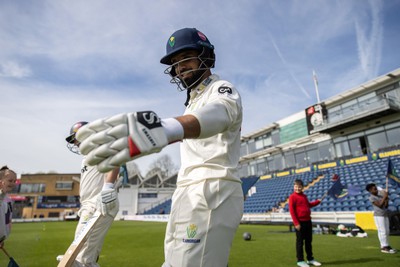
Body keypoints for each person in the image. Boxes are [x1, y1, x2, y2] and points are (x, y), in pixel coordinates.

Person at [76, 27, 244, 267]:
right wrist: (148, 139)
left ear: (205, 55)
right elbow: (188, 128)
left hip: (212, 188)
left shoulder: (221, 89)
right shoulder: (193, 102)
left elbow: (218, 114)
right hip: (187, 191)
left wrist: (165, 128)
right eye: (175, 63)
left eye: (186, 58)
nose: (180, 67)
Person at [58, 121, 120, 266]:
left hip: (97, 203)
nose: (75, 143)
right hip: (89, 205)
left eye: (77, 138)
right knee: (86, 254)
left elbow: (115, 160)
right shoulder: (87, 157)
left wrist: (108, 187)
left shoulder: (100, 148)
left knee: (82, 255)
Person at [289, 179, 322, 267]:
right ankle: (300, 260)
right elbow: (292, 211)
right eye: (296, 186)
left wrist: (317, 202)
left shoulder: (304, 196)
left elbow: (309, 205)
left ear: (302, 187)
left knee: (308, 242)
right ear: (294, 187)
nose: (297, 188)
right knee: (300, 242)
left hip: (308, 221)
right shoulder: (292, 197)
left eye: (299, 187)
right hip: (299, 223)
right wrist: (296, 223)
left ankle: (310, 259)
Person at [365, 183, 397, 254]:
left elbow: (385, 206)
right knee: (382, 231)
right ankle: (383, 247)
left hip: (385, 214)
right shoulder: (371, 197)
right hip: (378, 216)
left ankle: (387, 245)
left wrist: (386, 199)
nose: (376, 190)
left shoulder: (380, 196)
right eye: (374, 189)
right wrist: (384, 197)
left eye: (376, 188)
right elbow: (379, 205)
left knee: (387, 231)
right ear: (370, 190)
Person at [0, 166, 17, 249]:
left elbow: (7, 220)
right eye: (10, 181)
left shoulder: (9, 200)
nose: (13, 183)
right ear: (1, 182)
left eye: (14, 181)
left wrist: (1, 239)